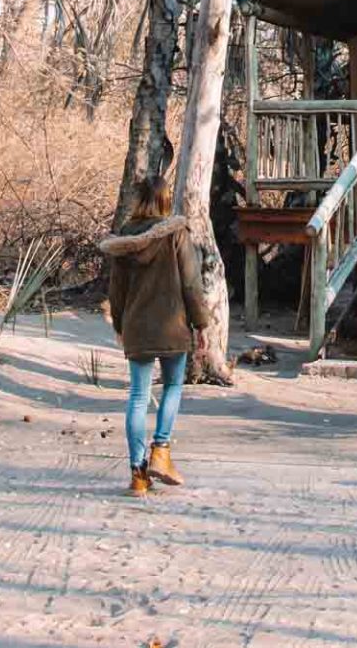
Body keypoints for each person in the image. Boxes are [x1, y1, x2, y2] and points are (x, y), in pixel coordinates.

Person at [99, 175, 212, 497]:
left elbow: (116, 291)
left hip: (136, 325)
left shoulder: (122, 238)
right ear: (165, 199)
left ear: (138, 200)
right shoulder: (175, 233)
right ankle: (160, 450)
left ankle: (138, 475)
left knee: (137, 396)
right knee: (174, 386)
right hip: (173, 324)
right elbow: (191, 283)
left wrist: (120, 325)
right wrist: (202, 324)